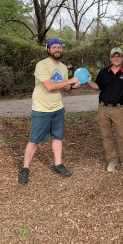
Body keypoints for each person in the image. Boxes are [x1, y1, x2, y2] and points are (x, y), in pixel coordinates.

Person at [18, 38, 81, 185]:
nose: (57, 49)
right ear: (48, 50)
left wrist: (73, 86)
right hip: (41, 108)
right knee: (34, 140)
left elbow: (64, 88)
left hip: (57, 108)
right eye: (54, 47)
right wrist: (70, 80)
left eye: (59, 47)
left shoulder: (64, 67)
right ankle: (25, 168)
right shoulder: (41, 65)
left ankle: (58, 165)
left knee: (57, 137)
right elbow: (49, 86)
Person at [87, 47, 123, 172]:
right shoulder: (104, 72)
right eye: (114, 56)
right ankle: (112, 160)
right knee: (106, 135)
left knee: (122, 135)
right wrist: (89, 82)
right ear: (110, 58)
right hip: (103, 108)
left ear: (122, 58)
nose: (116, 58)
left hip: (118, 109)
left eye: (119, 56)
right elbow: (97, 87)